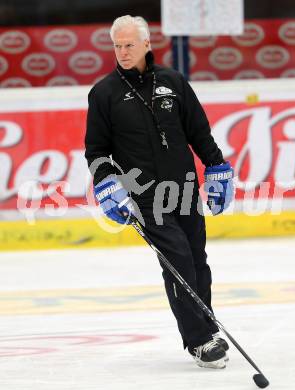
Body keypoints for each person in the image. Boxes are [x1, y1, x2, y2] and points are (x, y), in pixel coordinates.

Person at [85, 15, 234, 369]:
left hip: (184, 189)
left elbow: (199, 131)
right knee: (178, 260)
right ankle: (198, 341)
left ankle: (207, 329)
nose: (122, 52)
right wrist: (106, 183)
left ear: (146, 44)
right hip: (145, 195)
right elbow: (96, 151)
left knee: (197, 260)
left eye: (129, 45)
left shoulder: (173, 82)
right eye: (117, 46)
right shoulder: (104, 93)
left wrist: (217, 166)